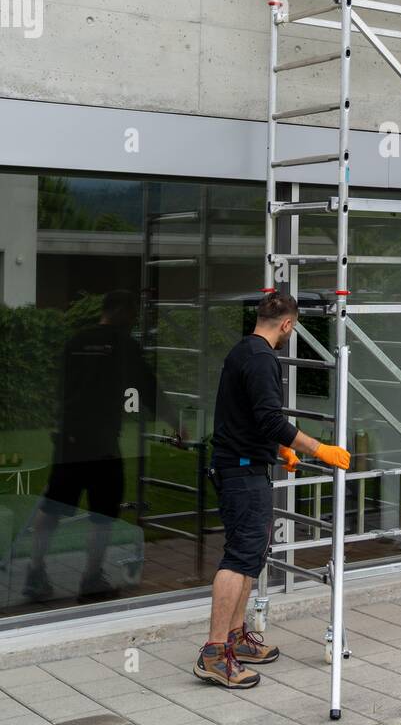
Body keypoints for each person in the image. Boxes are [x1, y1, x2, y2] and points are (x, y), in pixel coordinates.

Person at [195, 292, 351, 689]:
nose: (290, 334)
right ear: (286, 324)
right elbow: (269, 418)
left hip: (244, 465)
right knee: (239, 556)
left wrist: (277, 449)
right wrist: (320, 449)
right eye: (292, 329)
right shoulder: (263, 359)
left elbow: (247, 417)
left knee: (250, 555)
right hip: (241, 473)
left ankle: (233, 639)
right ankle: (214, 653)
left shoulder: (242, 351)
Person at [24, 289, 172, 604]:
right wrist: (175, 421)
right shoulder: (122, 345)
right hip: (102, 444)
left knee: (52, 507)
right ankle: (91, 580)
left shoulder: (76, 342)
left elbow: (63, 388)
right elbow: (148, 387)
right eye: (132, 313)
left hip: (70, 440)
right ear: (120, 311)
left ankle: (34, 573)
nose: (133, 320)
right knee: (103, 514)